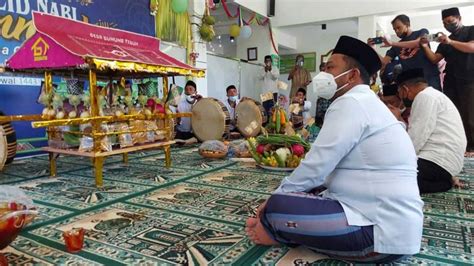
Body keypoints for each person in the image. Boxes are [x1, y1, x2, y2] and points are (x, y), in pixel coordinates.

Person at [246, 36, 423, 264]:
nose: (324, 74)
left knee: (279, 206)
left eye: (330, 68)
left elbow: (316, 165)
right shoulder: (367, 103)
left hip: (377, 237)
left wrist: (272, 201)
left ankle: (275, 231)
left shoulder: (351, 103)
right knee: (308, 192)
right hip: (396, 231)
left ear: (352, 76)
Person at [390, 68, 466, 193]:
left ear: (405, 89)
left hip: (437, 161)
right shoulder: (433, 95)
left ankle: (443, 182)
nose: (401, 98)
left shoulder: (424, 97)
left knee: (388, 175)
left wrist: (398, 160)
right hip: (445, 163)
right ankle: (443, 182)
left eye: (400, 93)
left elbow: (416, 139)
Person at [420, 7, 474, 153]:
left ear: (459, 18)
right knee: (453, 114)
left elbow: (471, 47)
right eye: (444, 23)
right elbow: (434, 59)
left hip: (469, 80)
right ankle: (458, 144)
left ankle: (472, 147)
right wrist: (425, 46)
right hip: (451, 81)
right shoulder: (444, 42)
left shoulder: (470, 30)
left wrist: (450, 42)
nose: (447, 25)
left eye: (450, 21)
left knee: (470, 115)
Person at [368, 14, 441, 89]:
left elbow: (418, 43)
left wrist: (392, 43)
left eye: (399, 27)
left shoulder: (421, 32)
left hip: (429, 78)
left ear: (407, 24)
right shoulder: (396, 46)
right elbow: (384, 62)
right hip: (412, 82)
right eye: (394, 29)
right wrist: (372, 49)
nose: (397, 31)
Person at [314, 62, 331, 127]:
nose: (323, 72)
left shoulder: (332, 78)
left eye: (324, 70)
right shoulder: (318, 79)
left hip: (329, 102)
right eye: (321, 70)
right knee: (319, 123)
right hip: (321, 101)